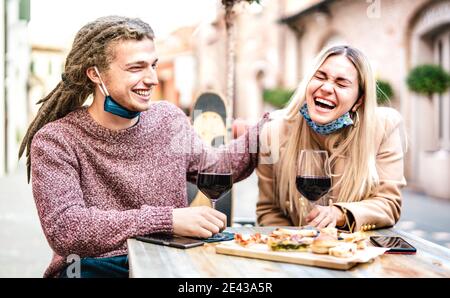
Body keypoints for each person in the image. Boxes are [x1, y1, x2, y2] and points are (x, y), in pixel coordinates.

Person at [19, 16, 266, 278]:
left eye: (153, 65)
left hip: (165, 263)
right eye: (136, 68)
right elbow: (67, 230)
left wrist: (267, 128)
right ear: (95, 73)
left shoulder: (168, 120)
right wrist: (168, 220)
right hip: (92, 269)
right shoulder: (56, 140)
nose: (152, 79)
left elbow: (216, 168)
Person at [256, 45, 406, 232]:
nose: (326, 88)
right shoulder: (272, 132)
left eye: (342, 83)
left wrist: (340, 214)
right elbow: (268, 210)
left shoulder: (383, 127)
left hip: (355, 252)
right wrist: (293, 244)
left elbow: (388, 204)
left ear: (359, 100)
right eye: (320, 77)